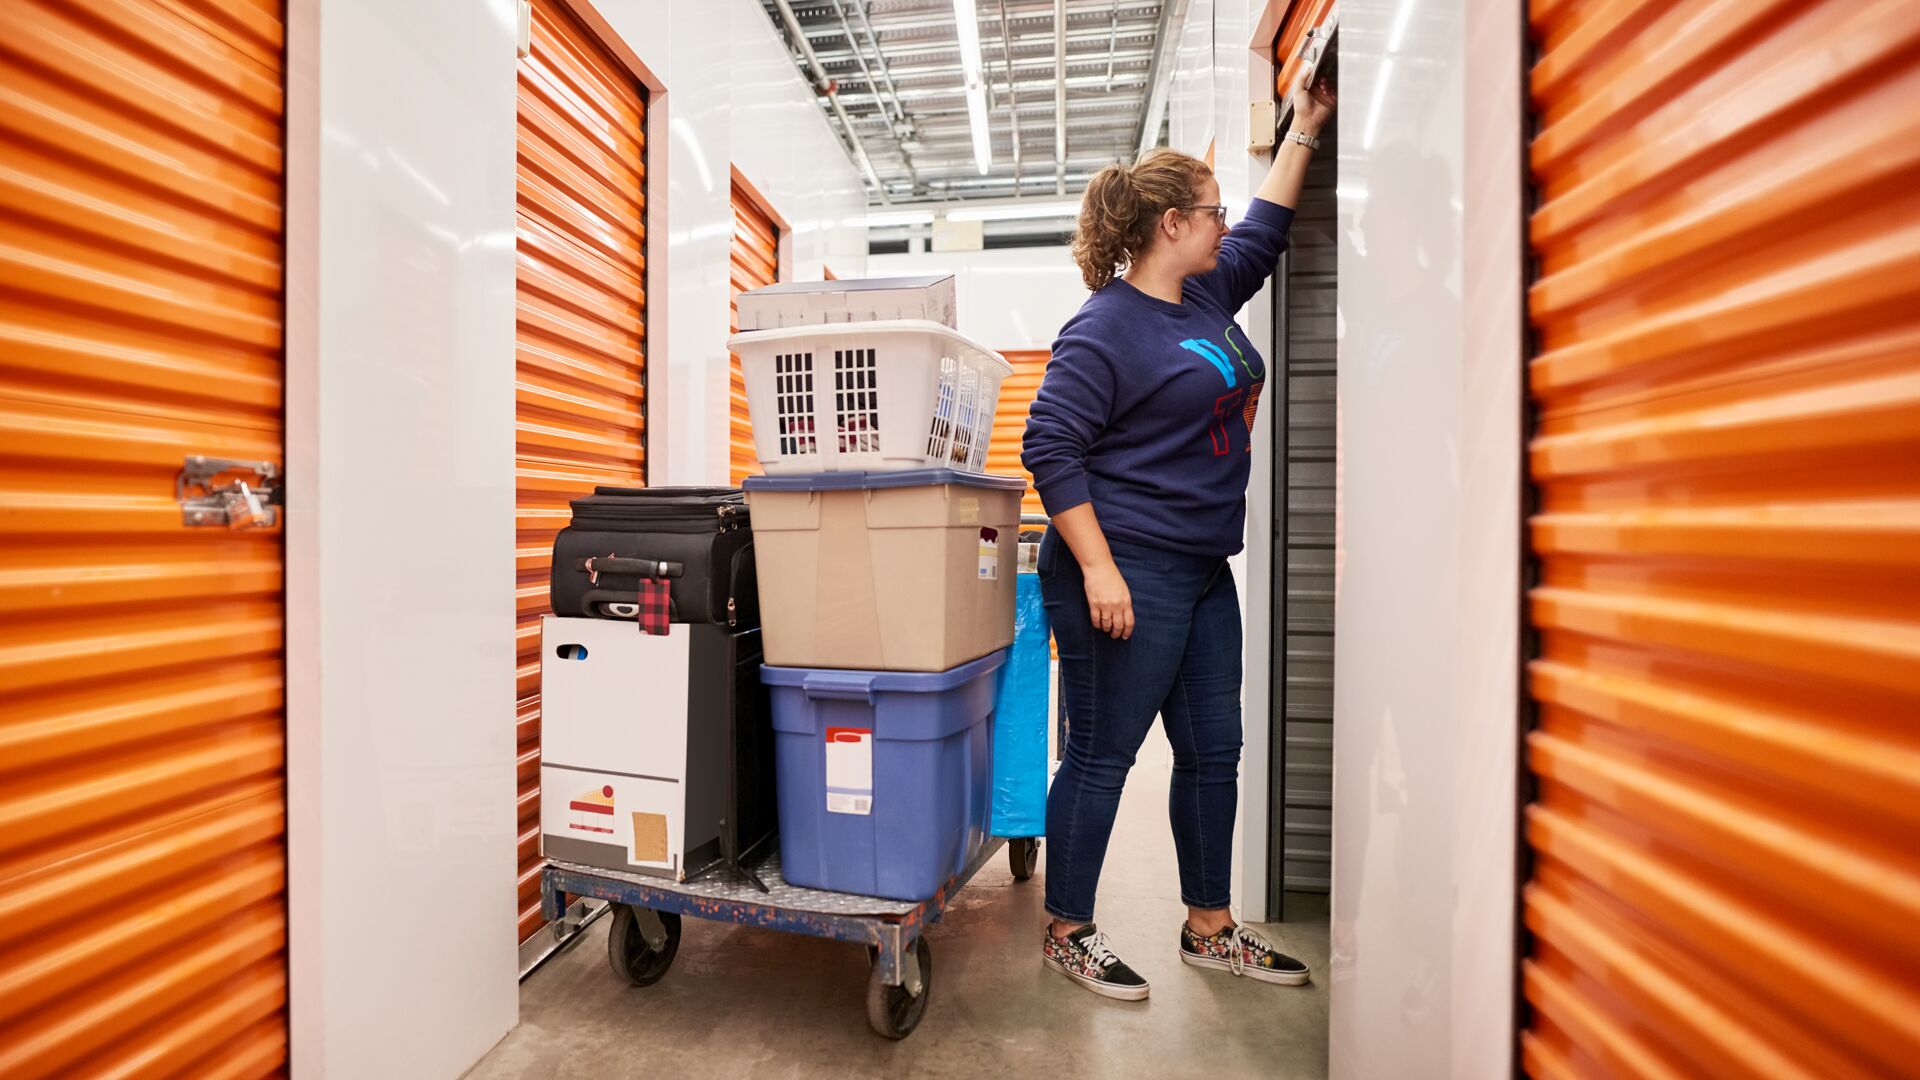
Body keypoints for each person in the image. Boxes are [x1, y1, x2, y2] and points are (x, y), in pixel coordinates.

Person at [1021, 74, 1337, 1001]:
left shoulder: (1204, 298)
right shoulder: (1106, 329)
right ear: (1170, 225)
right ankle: (1068, 929)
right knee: (1102, 753)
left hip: (1199, 569)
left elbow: (1267, 231)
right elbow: (1050, 445)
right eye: (1211, 212)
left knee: (1214, 749)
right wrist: (1100, 571)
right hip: (1118, 568)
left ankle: (1209, 928)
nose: (1223, 222)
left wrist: (1307, 127)